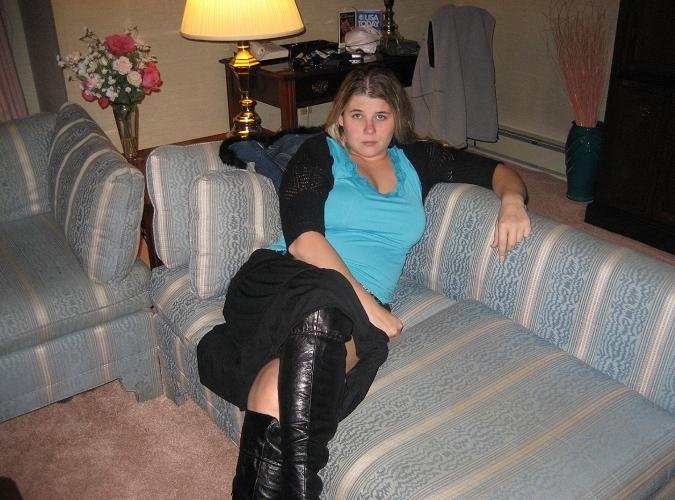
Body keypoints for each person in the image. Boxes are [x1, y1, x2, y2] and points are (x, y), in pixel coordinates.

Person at [197, 64, 531, 499]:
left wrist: (512, 201)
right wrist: (369, 307)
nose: (369, 129)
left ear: (397, 118)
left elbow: (497, 171)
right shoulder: (319, 153)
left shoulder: (417, 160)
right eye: (358, 115)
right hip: (284, 279)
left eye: (381, 116)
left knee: (286, 381)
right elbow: (303, 240)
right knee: (324, 309)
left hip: (345, 310)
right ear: (340, 118)